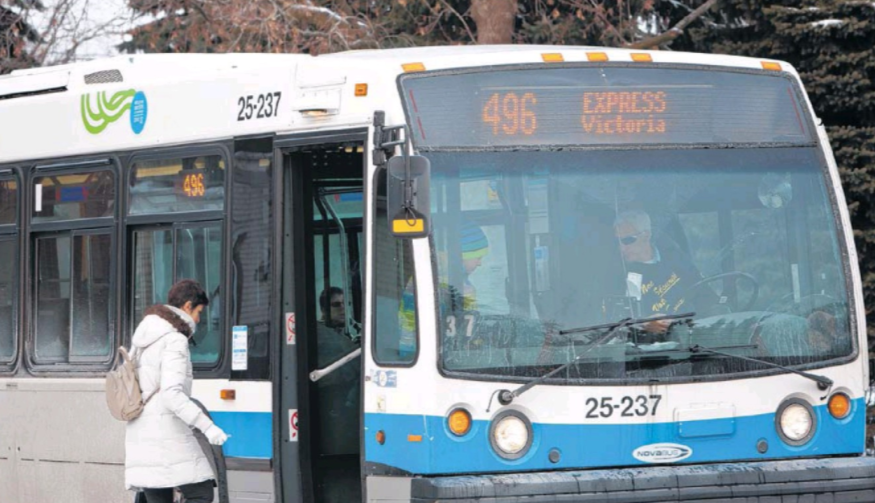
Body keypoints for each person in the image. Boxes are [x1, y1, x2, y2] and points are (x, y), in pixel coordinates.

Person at [125, 279, 228, 503]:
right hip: (167, 434)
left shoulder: (144, 336)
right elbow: (171, 394)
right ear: (187, 306)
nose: (199, 320)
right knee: (200, 493)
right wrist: (208, 427)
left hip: (141, 434)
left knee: (157, 495)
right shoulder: (174, 340)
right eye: (199, 312)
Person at [614, 210, 711, 333]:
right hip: (657, 346)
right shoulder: (623, 276)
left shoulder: (674, 257)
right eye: (617, 242)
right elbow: (618, 323)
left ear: (646, 235)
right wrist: (643, 325)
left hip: (697, 334)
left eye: (627, 240)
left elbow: (703, 293)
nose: (621, 248)